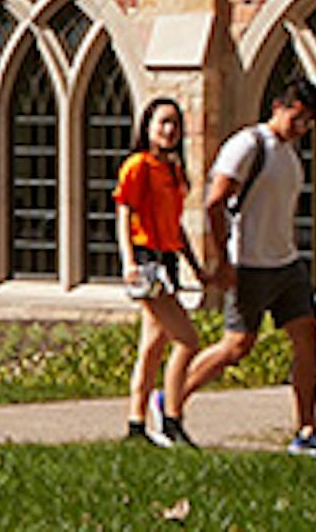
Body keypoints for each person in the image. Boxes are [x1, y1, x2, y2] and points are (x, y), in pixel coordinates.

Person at [170, 77, 316, 454]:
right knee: (236, 346)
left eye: (307, 122)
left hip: (286, 263)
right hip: (249, 264)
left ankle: (307, 432)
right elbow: (214, 202)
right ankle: (171, 400)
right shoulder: (248, 145)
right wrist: (223, 262)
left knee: (308, 338)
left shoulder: (289, 154)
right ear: (278, 106)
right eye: (297, 117)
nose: (301, 128)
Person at [113, 96, 204, 446]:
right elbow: (124, 213)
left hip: (166, 260)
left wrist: (195, 265)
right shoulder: (137, 166)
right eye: (162, 122)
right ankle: (171, 417)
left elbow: (175, 226)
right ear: (147, 127)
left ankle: (136, 425)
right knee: (187, 339)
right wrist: (128, 261)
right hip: (146, 260)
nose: (169, 130)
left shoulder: (174, 171)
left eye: (174, 124)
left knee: (152, 345)